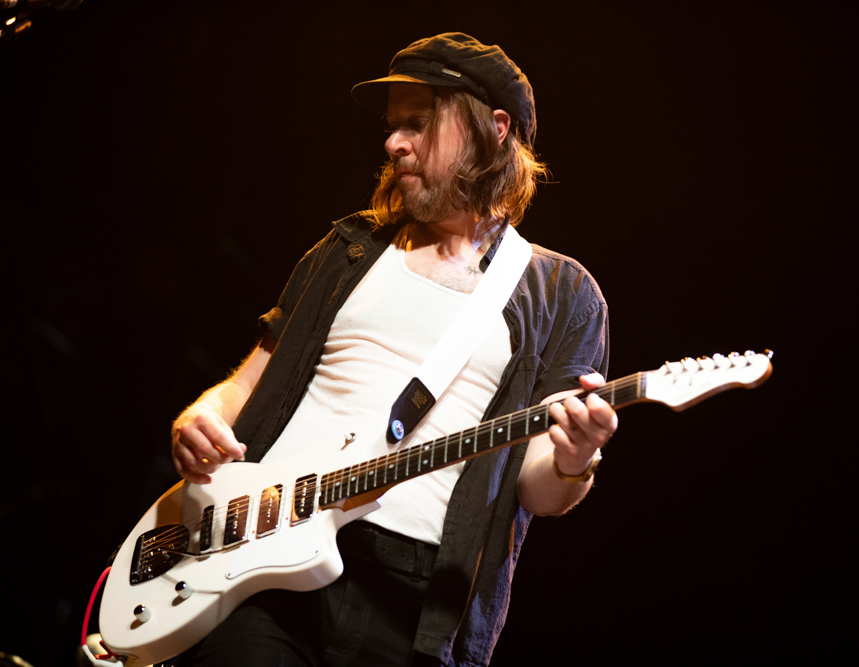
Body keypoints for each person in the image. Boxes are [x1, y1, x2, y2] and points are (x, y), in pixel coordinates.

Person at [170, 33, 616, 667]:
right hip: (263, 558)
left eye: (418, 123)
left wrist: (576, 457)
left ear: (494, 130)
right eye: (393, 126)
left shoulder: (563, 294)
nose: (393, 143)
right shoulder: (349, 249)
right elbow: (246, 384)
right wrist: (203, 414)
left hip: (415, 599)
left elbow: (541, 493)